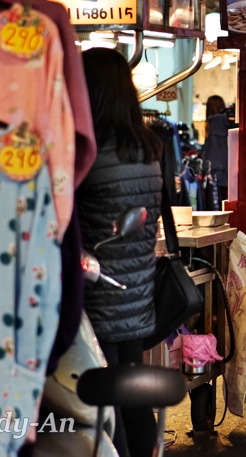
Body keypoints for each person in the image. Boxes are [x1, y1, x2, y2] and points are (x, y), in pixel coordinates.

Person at [76, 48, 162, 457]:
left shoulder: (87, 153)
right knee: (133, 392)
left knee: (106, 400)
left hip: (99, 292)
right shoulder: (147, 148)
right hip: (137, 289)